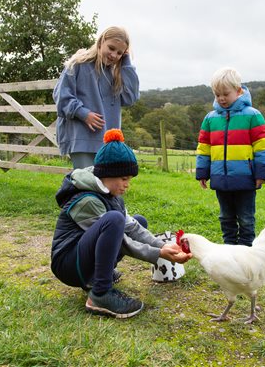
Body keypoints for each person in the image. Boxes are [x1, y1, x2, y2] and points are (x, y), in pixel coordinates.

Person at [51, 129, 191, 318]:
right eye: (124, 179)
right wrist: (158, 254)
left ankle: (97, 277)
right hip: (69, 265)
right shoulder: (87, 200)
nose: (127, 185)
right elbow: (122, 241)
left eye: (129, 180)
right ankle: (100, 294)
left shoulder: (112, 195)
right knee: (114, 220)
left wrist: (163, 245)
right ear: (107, 175)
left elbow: (132, 227)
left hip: (83, 261)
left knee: (138, 221)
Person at [195, 67, 265, 247]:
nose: (221, 98)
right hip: (220, 179)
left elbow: (263, 147)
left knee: (246, 218)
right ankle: (228, 250)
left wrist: (261, 173)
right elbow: (204, 147)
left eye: (225, 94)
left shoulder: (253, 116)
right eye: (217, 94)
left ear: (238, 91)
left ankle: (246, 252)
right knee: (225, 217)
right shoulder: (210, 118)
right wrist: (202, 172)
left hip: (246, 179)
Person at [53, 26, 140, 169]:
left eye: (119, 53)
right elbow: (62, 97)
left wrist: (126, 63)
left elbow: (131, 97)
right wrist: (83, 114)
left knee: (108, 187)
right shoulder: (78, 64)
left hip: (107, 144)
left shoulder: (115, 75)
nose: (113, 55)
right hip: (82, 138)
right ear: (101, 42)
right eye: (111, 48)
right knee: (87, 184)